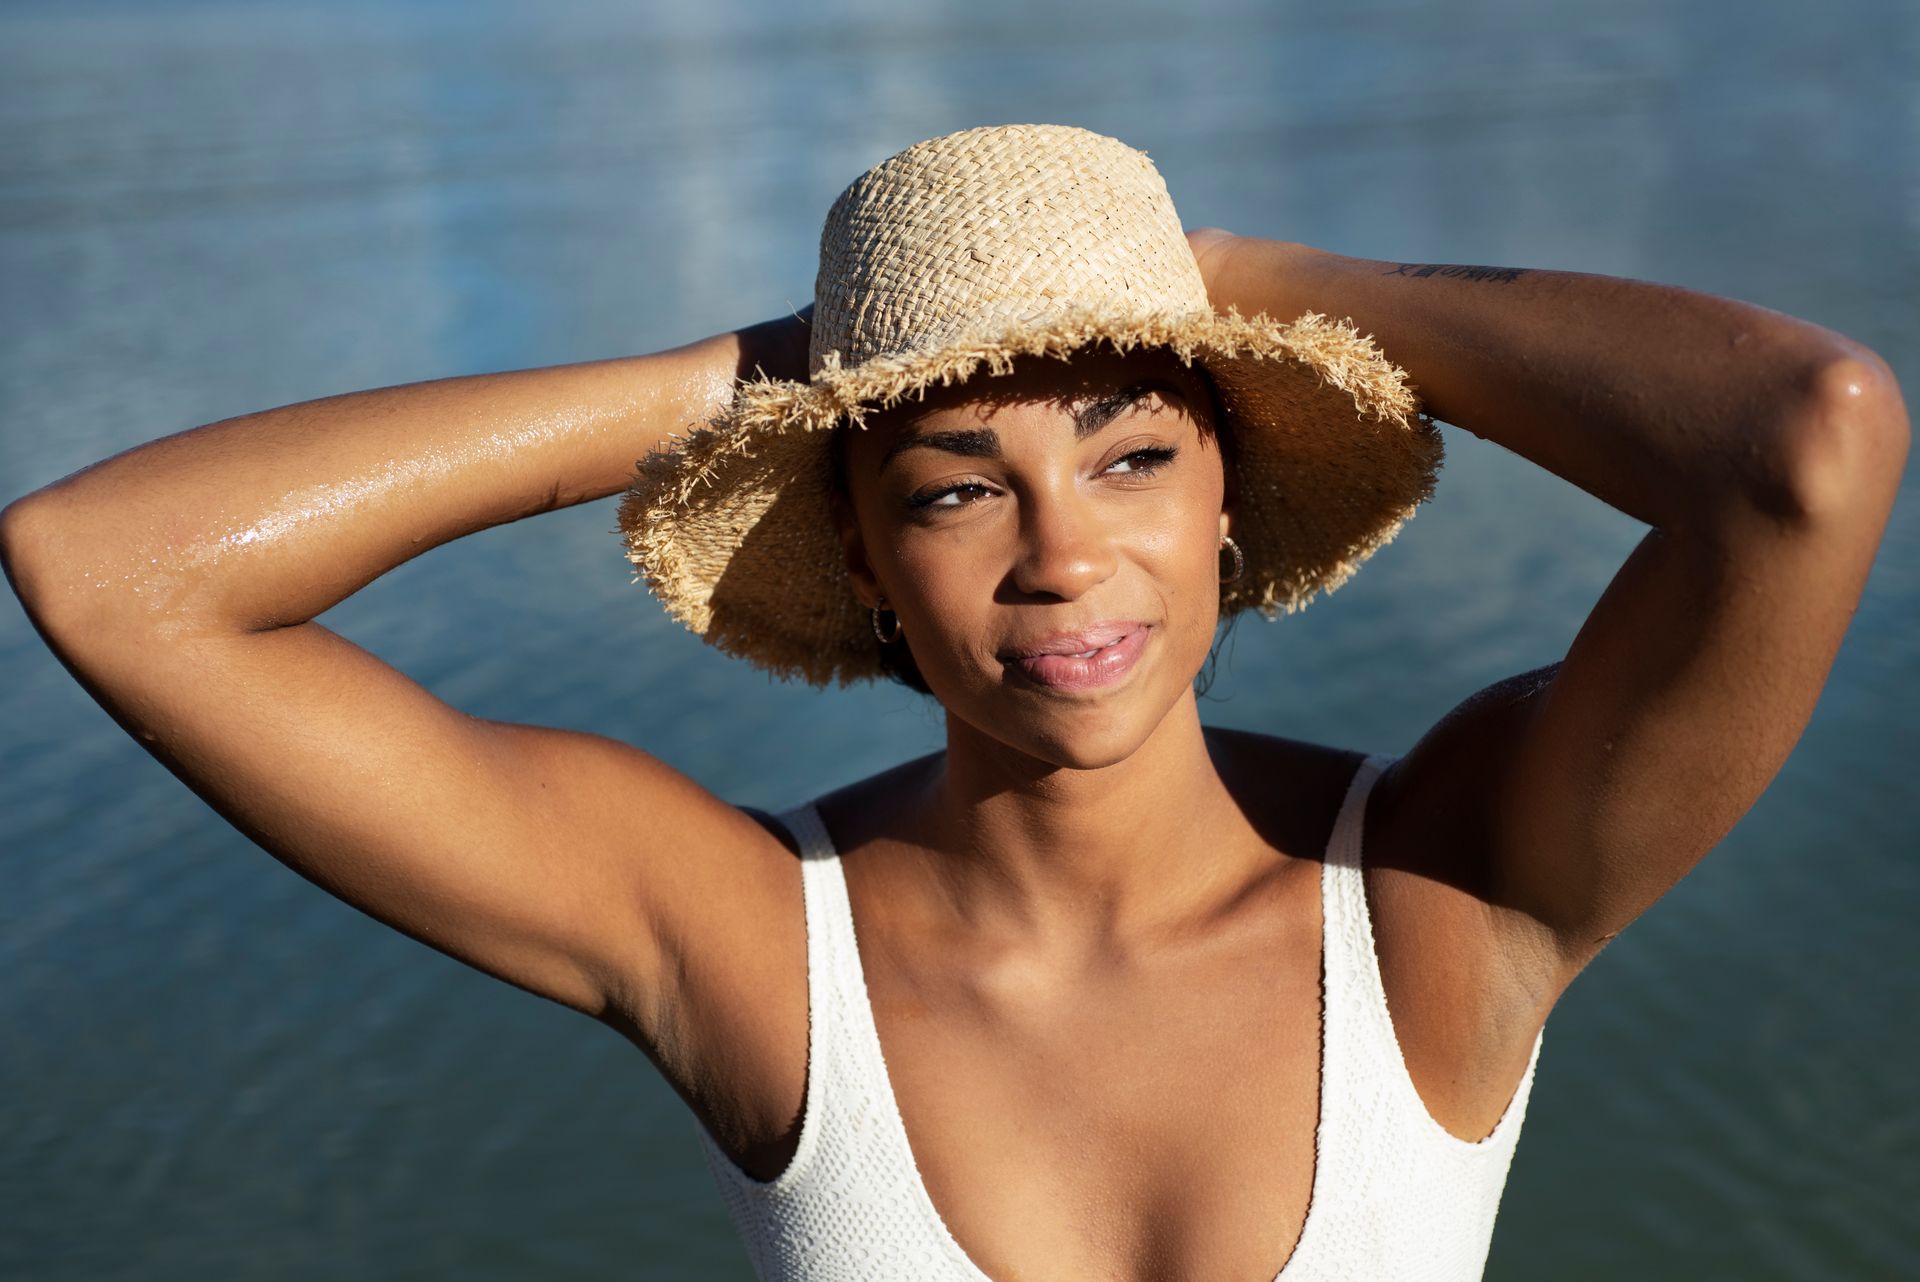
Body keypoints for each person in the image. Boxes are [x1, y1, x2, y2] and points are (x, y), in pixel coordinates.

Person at [0, 123, 1906, 1282]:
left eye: (1135, 455)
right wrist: (760, 383)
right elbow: (111, 569)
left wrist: (1232, 283)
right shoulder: (744, 942)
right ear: (865, 551)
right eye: (952, 484)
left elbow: (1806, 447)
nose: (1061, 555)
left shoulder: (1442, 892)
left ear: (1229, 489)